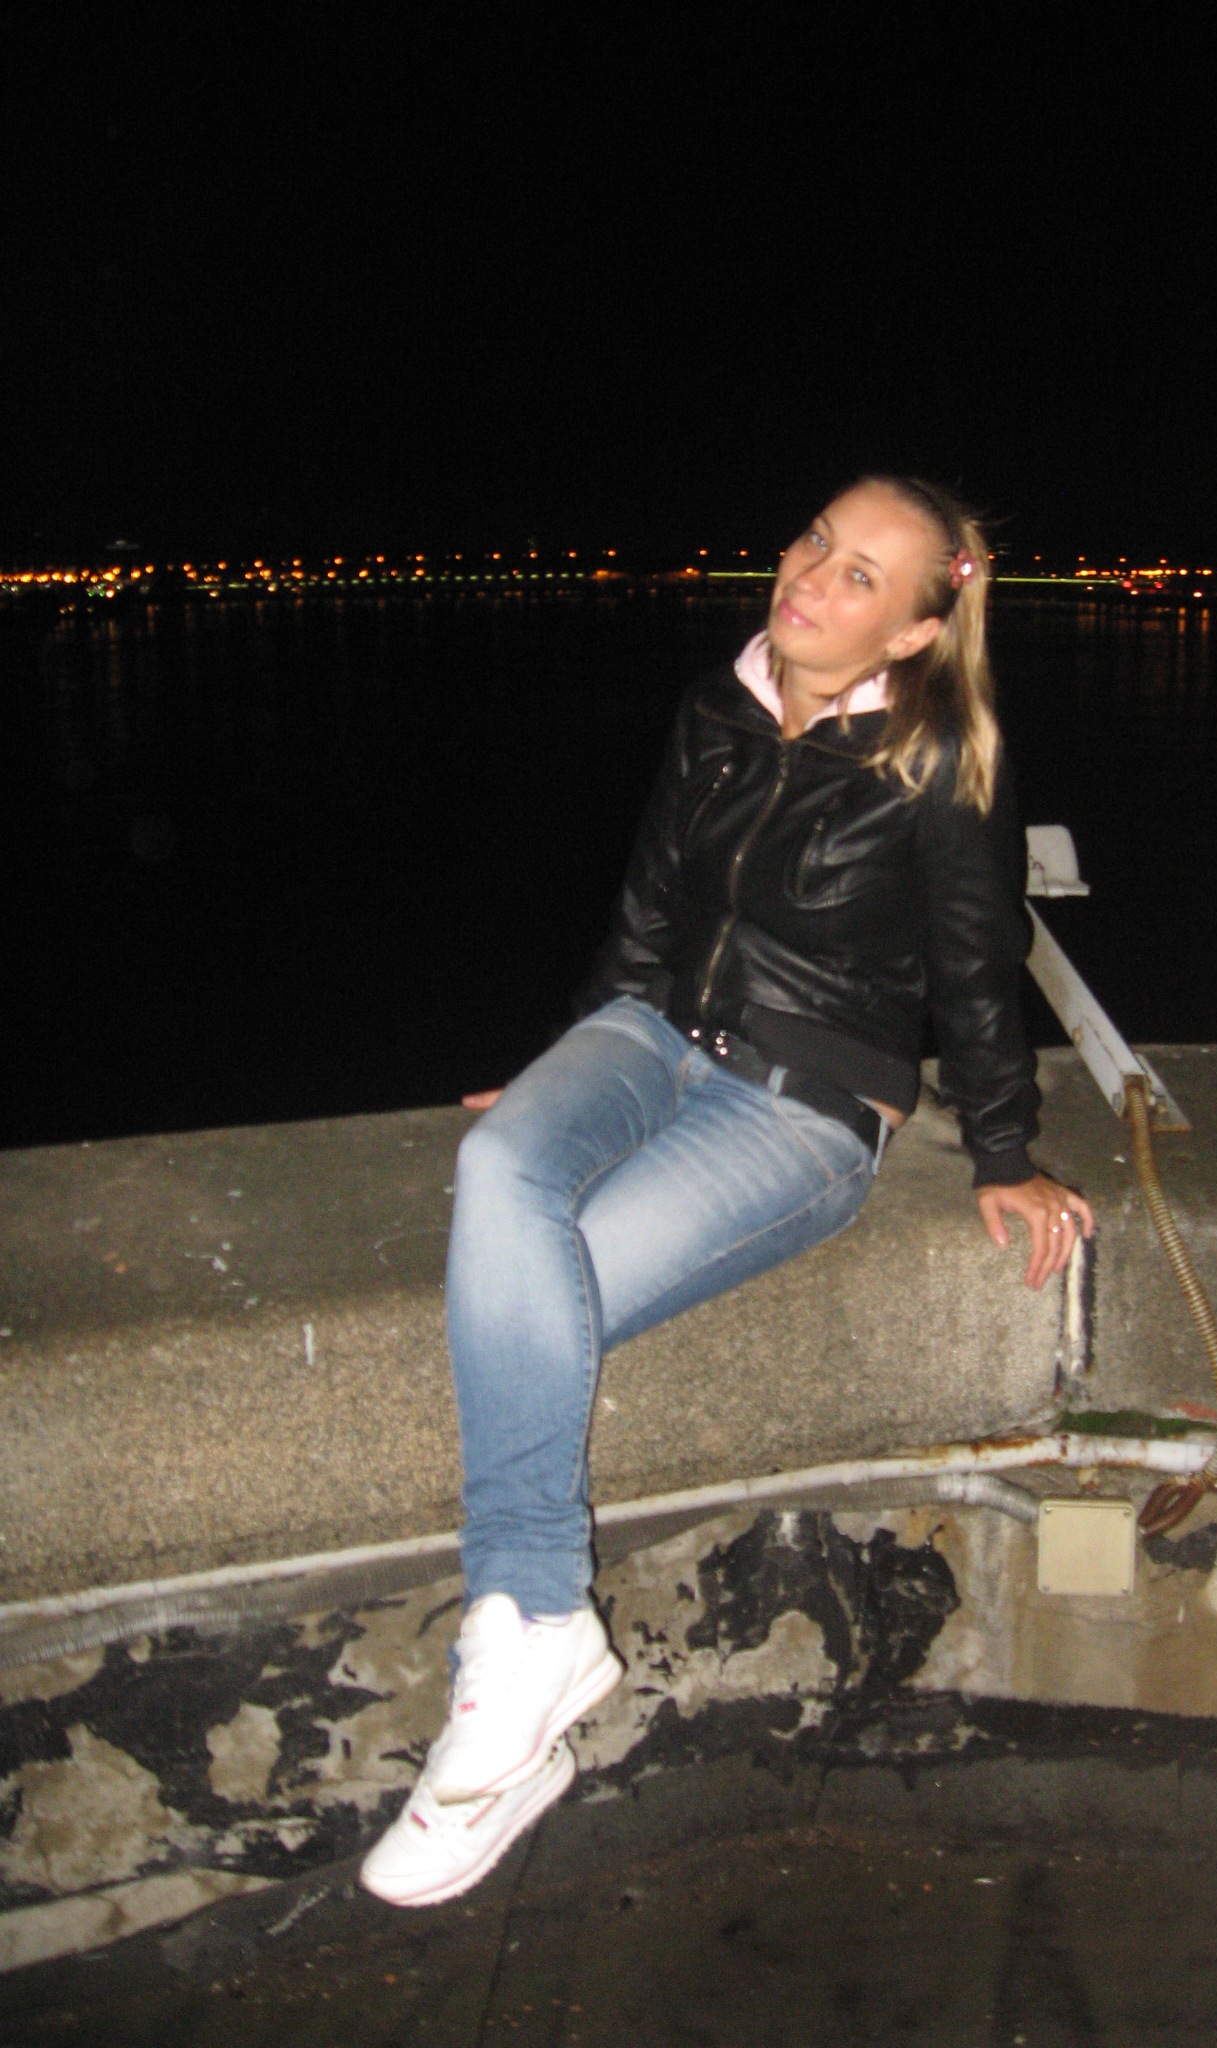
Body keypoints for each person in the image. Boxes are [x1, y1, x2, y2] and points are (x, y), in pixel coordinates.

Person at [360, 476, 1096, 1906]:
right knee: (501, 1166)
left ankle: (512, 1662)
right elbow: (647, 911)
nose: (813, 574)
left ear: (913, 630)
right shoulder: (718, 706)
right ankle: (537, 1630)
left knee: (545, 1282)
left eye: (861, 572)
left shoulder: (942, 759)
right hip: (646, 1036)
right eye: (818, 540)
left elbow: (974, 972)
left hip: (803, 1101)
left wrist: (1003, 1154)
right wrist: (565, 1069)